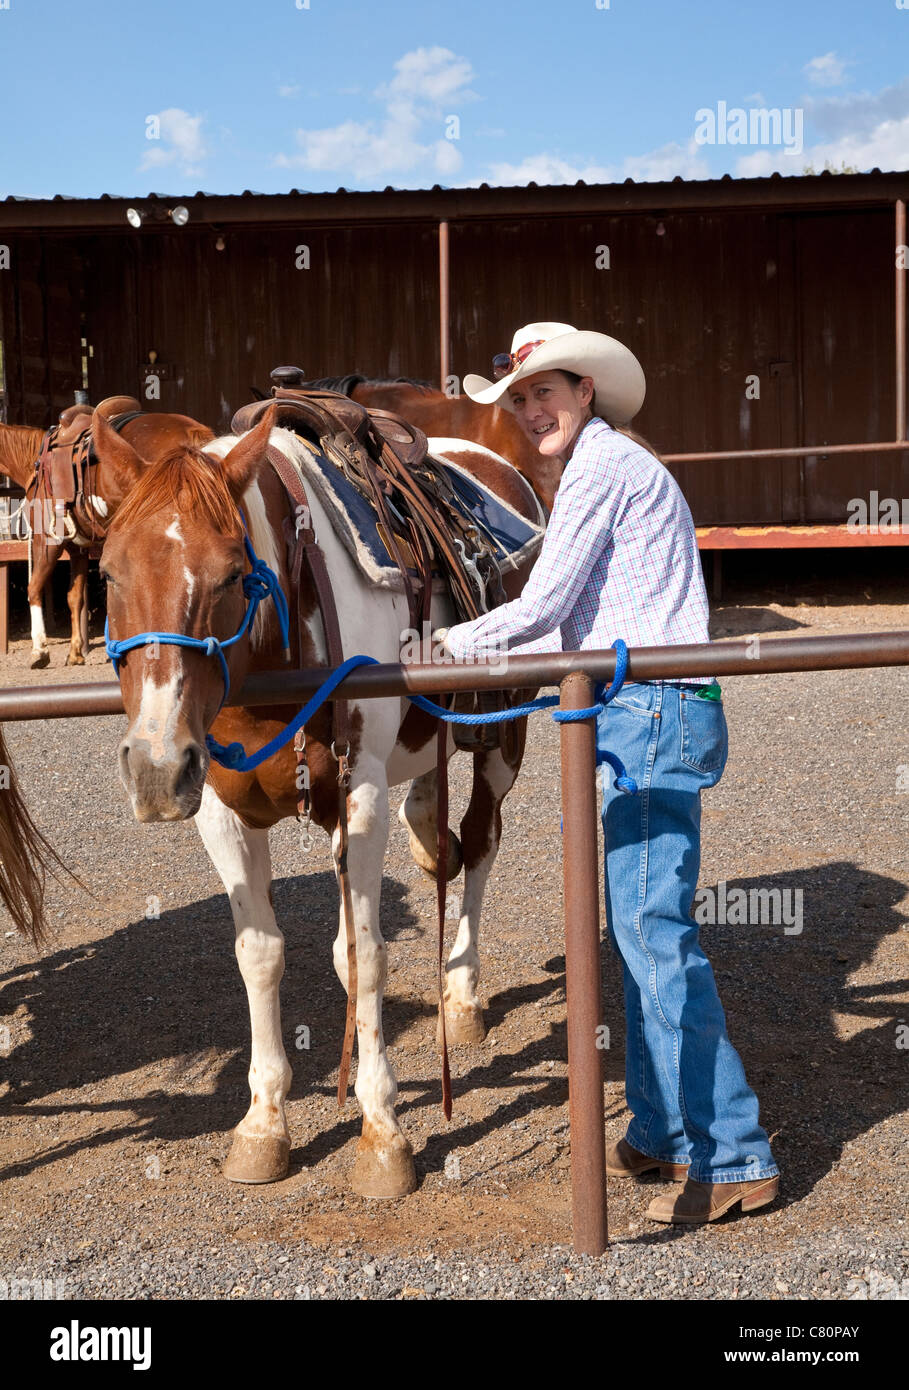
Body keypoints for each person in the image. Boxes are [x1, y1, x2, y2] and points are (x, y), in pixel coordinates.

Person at [435, 322, 779, 1224]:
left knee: (652, 929)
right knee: (635, 927)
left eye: (544, 388)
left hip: (650, 707)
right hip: (642, 704)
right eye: (518, 397)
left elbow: (543, 605)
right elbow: (568, 628)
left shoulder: (599, 467)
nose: (528, 408)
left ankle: (734, 1150)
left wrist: (442, 644)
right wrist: (480, 661)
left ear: (586, 390)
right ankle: (663, 1130)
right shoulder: (608, 466)